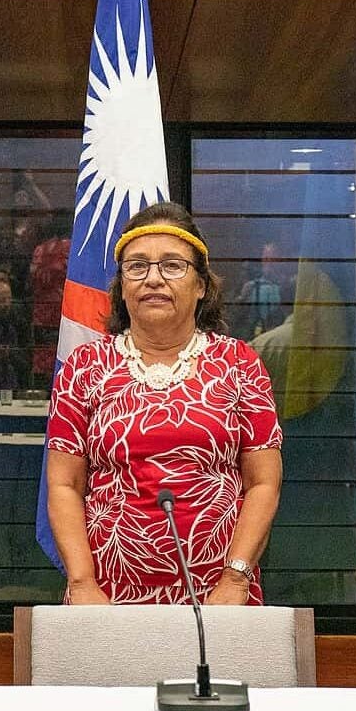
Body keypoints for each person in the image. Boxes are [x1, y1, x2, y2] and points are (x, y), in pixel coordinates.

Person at [45, 202, 285, 606]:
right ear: (121, 287)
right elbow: (64, 484)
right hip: (104, 596)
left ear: (202, 285)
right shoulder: (85, 367)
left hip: (220, 597)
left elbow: (263, 482)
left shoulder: (240, 364)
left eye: (172, 266)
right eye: (137, 266)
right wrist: (84, 584)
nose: (153, 279)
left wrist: (236, 579)